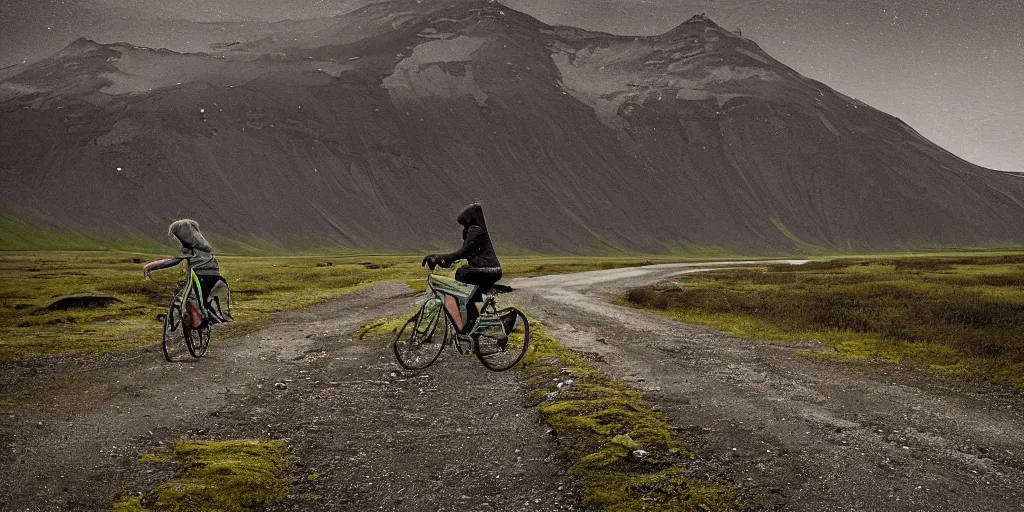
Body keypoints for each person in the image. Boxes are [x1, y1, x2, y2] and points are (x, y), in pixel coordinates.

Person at [422, 203, 502, 333]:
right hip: (490, 271)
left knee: (462, 274)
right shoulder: (474, 230)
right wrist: (443, 260)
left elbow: (462, 252)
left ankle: (467, 326)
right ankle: (473, 323)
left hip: (487, 271)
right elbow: (462, 255)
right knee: (467, 284)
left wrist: (439, 257)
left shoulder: (475, 230)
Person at [143, 219, 228, 327]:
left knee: (189, 300)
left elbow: (174, 261)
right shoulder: (203, 246)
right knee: (203, 299)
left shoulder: (190, 247)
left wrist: (151, 266)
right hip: (214, 276)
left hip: (198, 275)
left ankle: (197, 322)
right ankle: (208, 318)